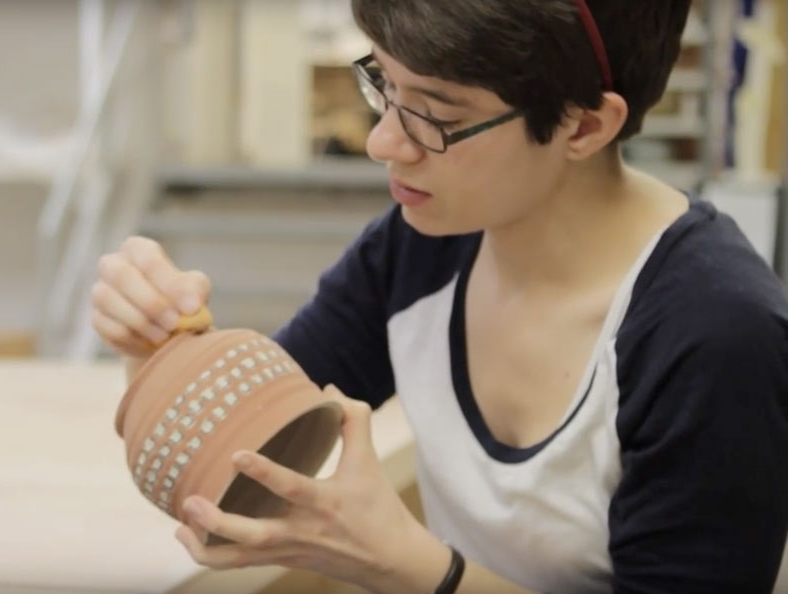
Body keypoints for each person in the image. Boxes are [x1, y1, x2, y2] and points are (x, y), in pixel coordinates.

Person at [90, 0, 788, 592]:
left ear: (584, 125)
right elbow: (243, 466)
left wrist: (418, 569)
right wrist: (158, 348)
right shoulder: (420, 247)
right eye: (383, 86)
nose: (383, 142)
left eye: (434, 115)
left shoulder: (716, 334)